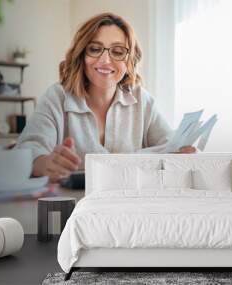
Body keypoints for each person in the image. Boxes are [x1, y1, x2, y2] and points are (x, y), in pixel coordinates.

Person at [17, 13, 195, 183]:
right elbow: (27, 150)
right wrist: (44, 163)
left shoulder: (142, 100)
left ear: (129, 60)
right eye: (95, 49)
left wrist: (183, 155)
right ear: (82, 55)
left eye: (117, 52)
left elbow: (170, 146)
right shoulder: (57, 97)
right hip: (75, 206)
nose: (105, 60)